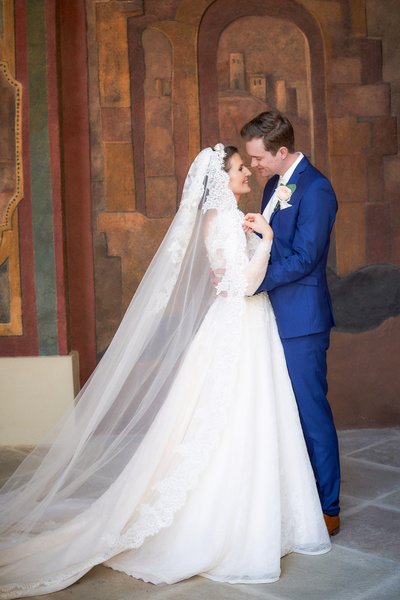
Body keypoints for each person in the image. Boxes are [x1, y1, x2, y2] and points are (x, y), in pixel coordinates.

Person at [0, 144, 330, 599]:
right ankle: (232, 522)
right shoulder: (230, 223)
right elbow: (244, 283)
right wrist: (268, 240)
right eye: (239, 169)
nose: (247, 175)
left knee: (236, 418)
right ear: (221, 179)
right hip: (242, 326)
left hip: (239, 327)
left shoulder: (222, 222)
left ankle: (255, 512)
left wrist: (257, 238)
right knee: (239, 419)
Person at [241, 111, 341, 536]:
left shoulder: (317, 189)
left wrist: (253, 283)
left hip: (302, 320)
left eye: (259, 158)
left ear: (282, 152)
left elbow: (305, 259)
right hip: (269, 316)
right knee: (281, 411)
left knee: (310, 411)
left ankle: (328, 508)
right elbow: (272, 244)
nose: (254, 165)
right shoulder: (271, 185)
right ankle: (294, 498)